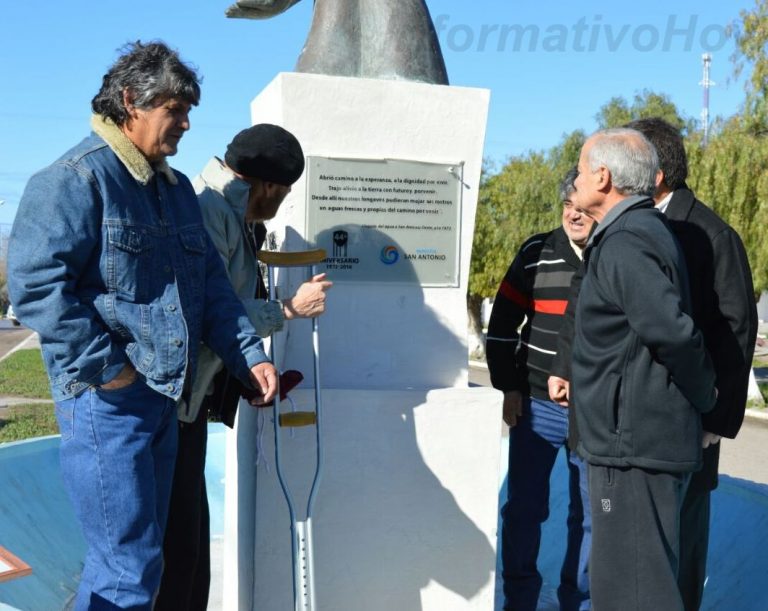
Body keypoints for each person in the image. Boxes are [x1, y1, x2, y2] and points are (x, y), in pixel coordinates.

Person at [7, 41, 278, 610]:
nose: (183, 124)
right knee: (127, 571)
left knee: (140, 564)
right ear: (131, 101)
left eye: (187, 113)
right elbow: (35, 288)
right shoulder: (74, 180)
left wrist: (249, 355)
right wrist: (110, 371)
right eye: (174, 110)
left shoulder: (175, 192)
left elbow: (210, 290)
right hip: (106, 404)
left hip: (159, 403)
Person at [156, 124, 332, 610]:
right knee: (175, 560)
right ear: (269, 187)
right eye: (285, 193)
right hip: (172, 409)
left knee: (190, 558)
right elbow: (206, 313)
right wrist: (288, 309)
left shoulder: (231, 214)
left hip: (192, 408)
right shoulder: (207, 211)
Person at [568, 128, 717, 610]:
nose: (575, 176)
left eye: (581, 167)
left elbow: (672, 332)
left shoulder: (627, 240)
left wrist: (706, 398)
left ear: (604, 177)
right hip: (632, 442)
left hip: (630, 447)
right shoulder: (633, 232)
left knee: (633, 593)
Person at [624, 118, 757, 611]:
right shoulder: (638, 226)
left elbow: (735, 331)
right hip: (637, 424)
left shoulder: (711, 234)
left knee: (681, 549)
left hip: (689, 425)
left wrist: (715, 422)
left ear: (654, 172)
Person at [486, 168, 594, 611]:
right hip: (535, 404)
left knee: (587, 518)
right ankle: (520, 599)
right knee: (525, 509)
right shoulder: (536, 250)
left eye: (582, 207)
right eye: (568, 206)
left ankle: (577, 600)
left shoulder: (614, 252)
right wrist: (509, 388)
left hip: (593, 410)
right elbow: (501, 326)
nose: (574, 215)